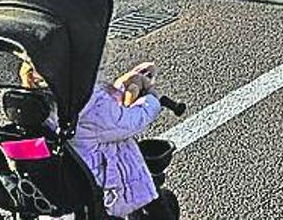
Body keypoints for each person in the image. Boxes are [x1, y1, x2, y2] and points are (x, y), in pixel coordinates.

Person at [19, 62, 174, 219]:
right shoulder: (85, 104)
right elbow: (127, 121)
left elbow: (106, 113)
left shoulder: (34, 105)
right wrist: (152, 99)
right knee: (158, 212)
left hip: (61, 187)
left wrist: (119, 87)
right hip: (105, 189)